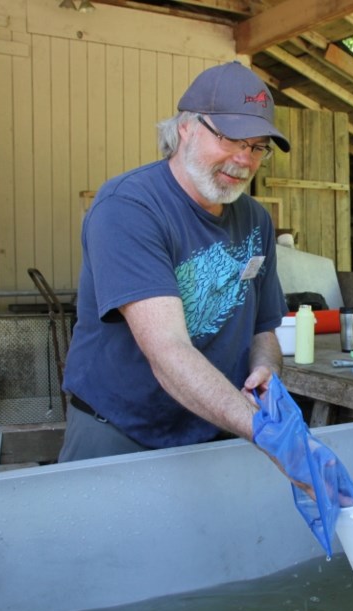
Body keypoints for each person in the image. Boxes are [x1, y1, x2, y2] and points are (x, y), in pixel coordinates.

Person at [59, 61, 292, 462]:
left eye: (257, 147)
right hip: (118, 430)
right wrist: (265, 431)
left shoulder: (256, 219)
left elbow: (264, 328)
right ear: (186, 127)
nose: (244, 160)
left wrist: (266, 371)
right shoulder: (129, 207)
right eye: (231, 138)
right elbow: (167, 350)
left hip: (213, 427)